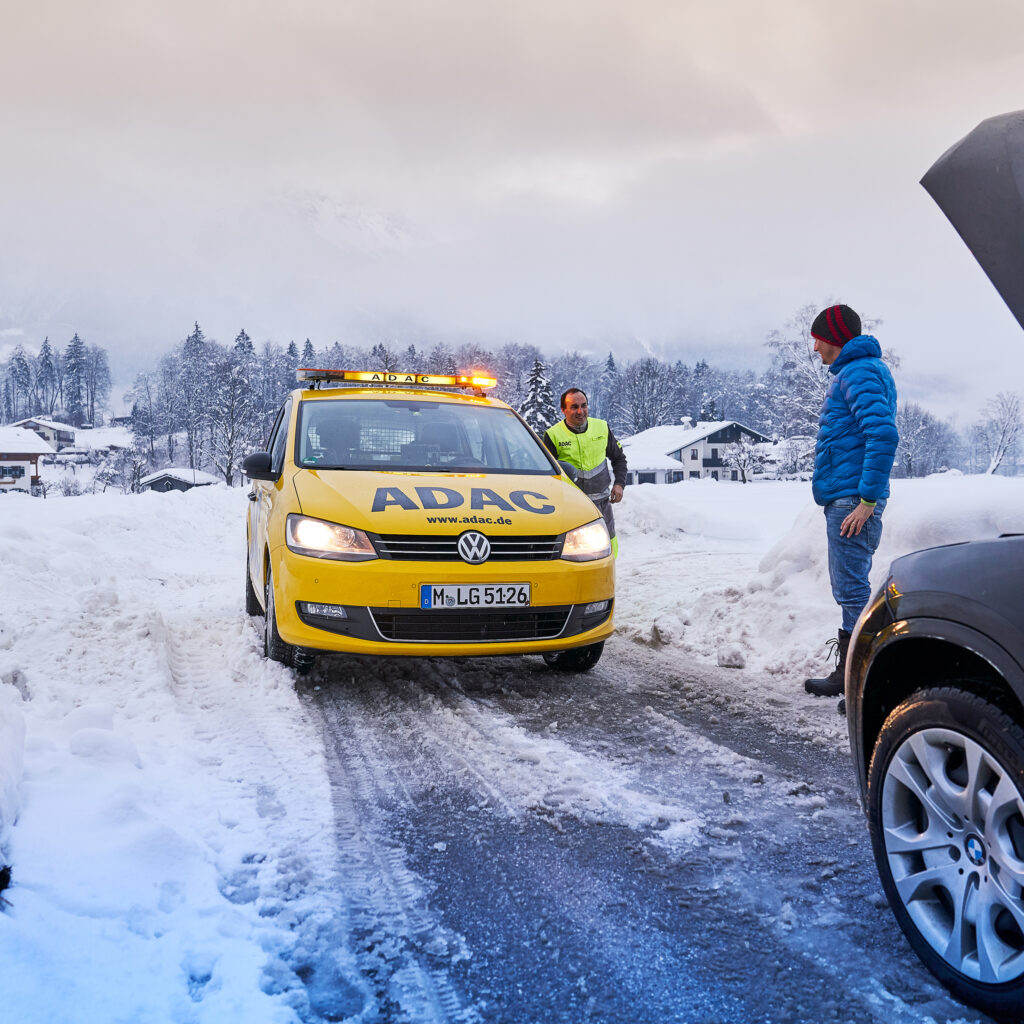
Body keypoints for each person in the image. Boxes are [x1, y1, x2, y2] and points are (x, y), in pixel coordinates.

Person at [803, 304, 898, 702]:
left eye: (819, 339)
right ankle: (851, 674)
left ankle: (869, 682)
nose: (815, 348)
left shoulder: (858, 372)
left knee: (853, 592)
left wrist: (867, 501)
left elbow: (883, 436)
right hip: (846, 498)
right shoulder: (857, 372)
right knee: (850, 589)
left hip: (852, 501)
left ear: (836, 338)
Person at [544, 389, 627, 557]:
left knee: (609, 548)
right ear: (563, 410)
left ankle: (607, 580)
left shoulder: (601, 427)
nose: (580, 411)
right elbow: (547, 476)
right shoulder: (553, 435)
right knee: (575, 552)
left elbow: (619, 458)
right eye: (574, 407)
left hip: (602, 505)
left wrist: (619, 484)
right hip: (570, 508)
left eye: (584, 406)